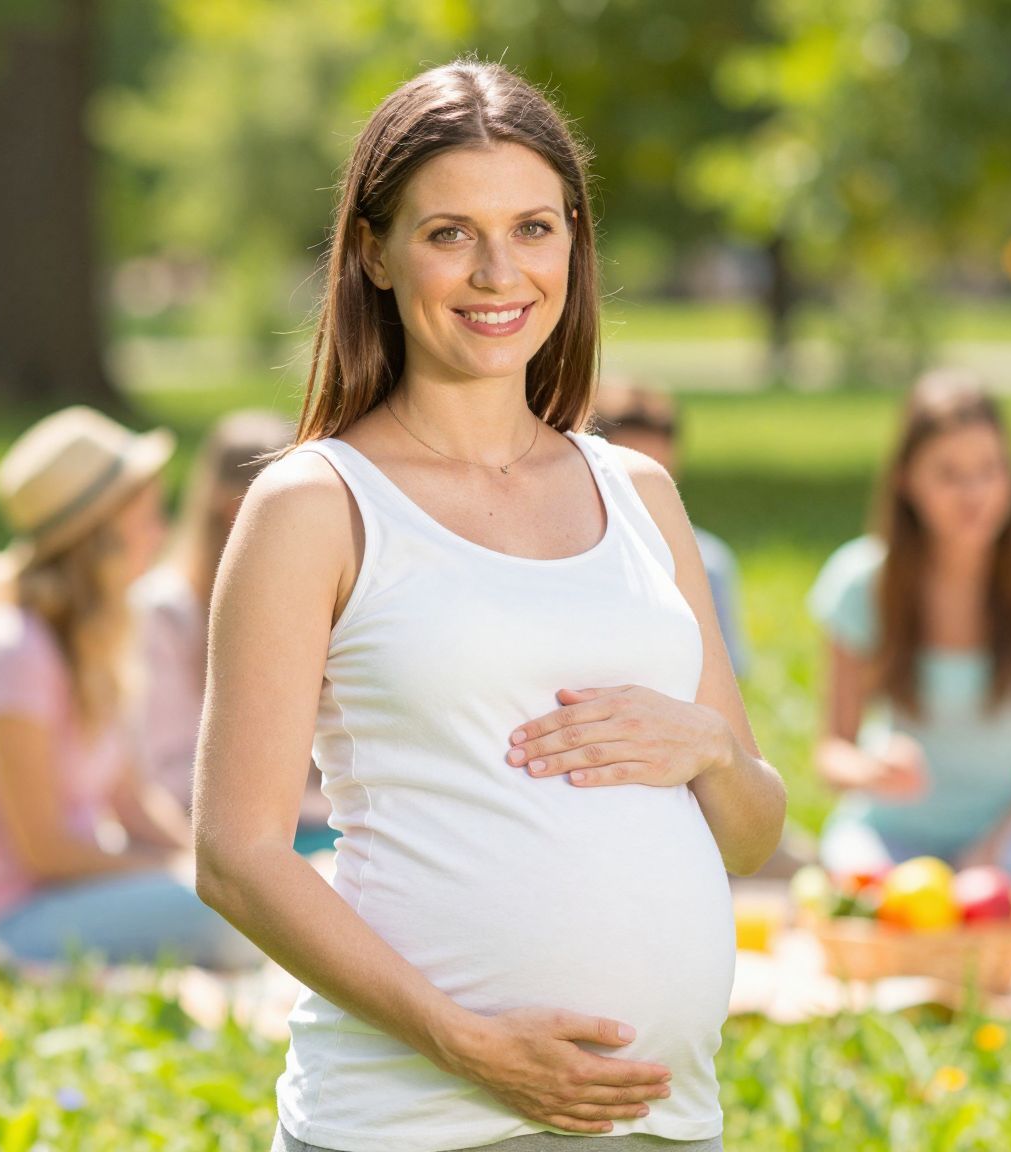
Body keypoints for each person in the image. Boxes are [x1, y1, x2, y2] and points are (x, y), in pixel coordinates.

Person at [189, 61, 786, 1152]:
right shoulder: (316, 504)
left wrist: (708, 747)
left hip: (660, 1123)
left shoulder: (638, 492)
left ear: (574, 243)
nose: (498, 272)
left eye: (532, 229)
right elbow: (237, 856)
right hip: (411, 1124)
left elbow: (749, 835)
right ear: (374, 252)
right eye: (450, 233)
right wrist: (465, 1044)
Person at [0, 405, 255, 968]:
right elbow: (44, 850)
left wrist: (225, 869)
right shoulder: (12, 650)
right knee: (229, 918)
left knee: (261, 902)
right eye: (147, 517)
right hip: (7, 916)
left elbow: (133, 802)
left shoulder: (96, 640)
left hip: (72, 894)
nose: (161, 533)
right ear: (103, 536)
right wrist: (178, 875)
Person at [809, 370, 1011, 875]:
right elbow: (831, 752)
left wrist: (989, 854)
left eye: (991, 470)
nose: (975, 494)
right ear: (905, 480)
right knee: (864, 891)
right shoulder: (861, 582)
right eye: (949, 474)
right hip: (892, 834)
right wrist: (869, 769)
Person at [128, 410, 339, 853]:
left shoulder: (306, 601)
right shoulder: (165, 613)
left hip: (305, 822)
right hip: (204, 832)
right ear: (233, 510)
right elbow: (166, 773)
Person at [589, 381, 750, 680]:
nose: (647, 490)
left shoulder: (708, 563)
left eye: (661, 473)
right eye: (629, 476)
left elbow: (725, 678)